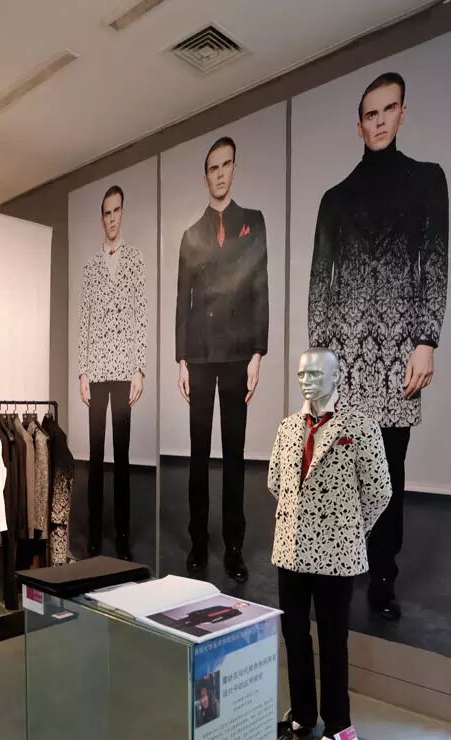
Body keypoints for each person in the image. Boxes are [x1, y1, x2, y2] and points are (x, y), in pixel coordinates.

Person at [308, 72, 448, 620]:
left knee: (389, 472)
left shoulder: (427, 180)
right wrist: (317, 372)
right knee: (342, 473)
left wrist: (427, 340)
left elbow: (435, 264)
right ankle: (344, 565)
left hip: (397, 357)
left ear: (402, 113)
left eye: (389, 109)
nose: (381, 120)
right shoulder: (335, 198)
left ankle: (383, 577)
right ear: (360, 124)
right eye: (371, 113)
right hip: (344, 361)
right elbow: (320, 288)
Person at [269, 349, 391, 740]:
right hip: (291, 550)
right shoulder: (288, 427)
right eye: (302, 374)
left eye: (316, 374)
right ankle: (303, 719)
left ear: (337, 376)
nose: (307, 381)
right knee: (294, 634)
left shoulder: (360, 427)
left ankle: (338, 725)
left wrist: (350, 529)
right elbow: (276, 482)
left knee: (333, 639)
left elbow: (379, 490)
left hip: (337, 555)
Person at [176, 135, 269, 583]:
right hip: (199, 356)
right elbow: (183, 300)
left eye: (225, 165)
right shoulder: (190, 235)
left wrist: (258, 353)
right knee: (198, 454)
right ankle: (198, 542)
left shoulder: (253, 222)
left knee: (234, 453)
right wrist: (181, 359)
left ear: (234, 168)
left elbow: (260, 289)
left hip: (236, 355)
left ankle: (234, 547)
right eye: (213, 167)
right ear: (205, 176)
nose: (219, 173)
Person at [79, 185, 148, 561]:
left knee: (121, 455)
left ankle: (122, 534)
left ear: (123, 213)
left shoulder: (135, 259)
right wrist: (82, 372)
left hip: (123, 370)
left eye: (116, 211)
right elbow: (84, 319)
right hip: (96, 370)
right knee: (95, 455)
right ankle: (93, 533)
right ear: (101, 217)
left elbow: (141, 314)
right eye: (106, 213)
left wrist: (140, 369)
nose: (111, 218)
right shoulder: (91, 265)